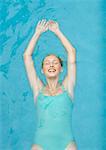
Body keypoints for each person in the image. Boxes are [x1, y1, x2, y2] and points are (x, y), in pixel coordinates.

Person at [23, 19, 77, 150]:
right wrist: (37, 33)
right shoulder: (38, 89)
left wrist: (57, 32)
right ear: (42, 70)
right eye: (47, 63)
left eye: (55, 62)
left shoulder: (68, 87)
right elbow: (27, 56)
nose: (51, 65)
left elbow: (71, 52)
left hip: (66, 144)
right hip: (40, 144)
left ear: (61, 68)